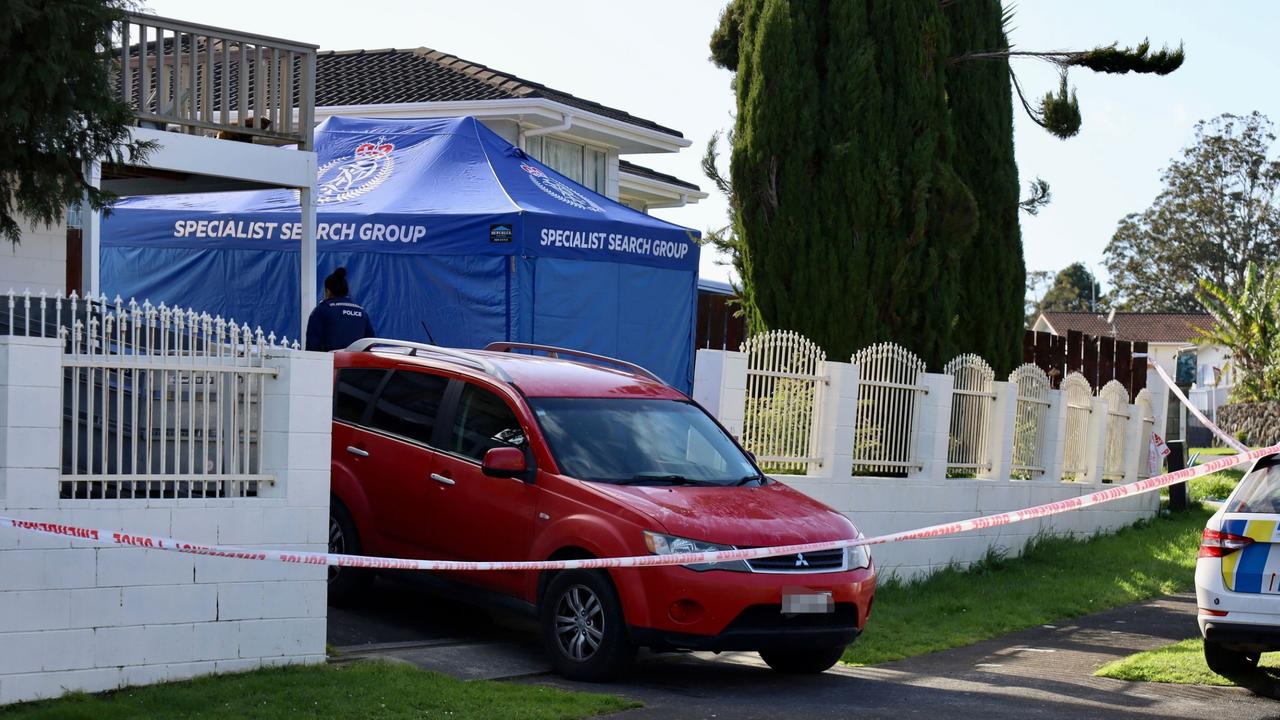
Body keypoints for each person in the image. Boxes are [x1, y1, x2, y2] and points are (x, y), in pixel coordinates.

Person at [305, 267, 376, 351]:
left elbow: (312, 344)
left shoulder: (322, 310)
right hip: (356, 362)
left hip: (330, 362)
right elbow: (369, 343)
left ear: (327, 291)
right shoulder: (362, 313)